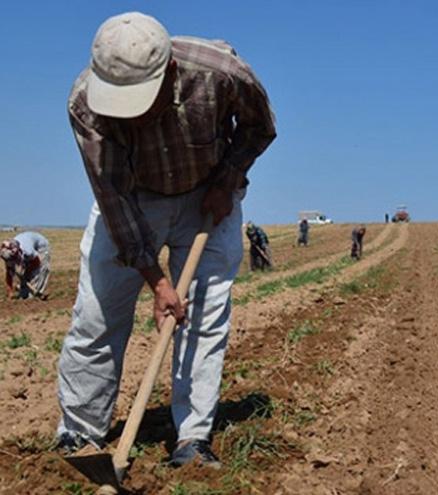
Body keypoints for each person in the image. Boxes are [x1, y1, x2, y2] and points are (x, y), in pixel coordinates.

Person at [57, 12, 276, 468]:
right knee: (96, 318)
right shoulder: (85, 104)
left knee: (202, 317)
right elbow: (113, 199)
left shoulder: (221, 71)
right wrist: (157, 283)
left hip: (207, 194)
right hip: (133, 196)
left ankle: (192, 440)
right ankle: (79, 435)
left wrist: (228, 178)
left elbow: (259, 127)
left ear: (170, 72)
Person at [1, 231, 51, 300]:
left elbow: (37, 262)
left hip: (40, 246)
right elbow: (9, 273)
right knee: (24, 274)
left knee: (38, 272)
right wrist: (10, 292)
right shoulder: (7, 254)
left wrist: (27, 271)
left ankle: (35, 294)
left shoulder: (28, 251)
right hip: (27, 245)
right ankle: (24, 295)